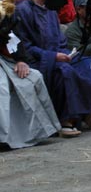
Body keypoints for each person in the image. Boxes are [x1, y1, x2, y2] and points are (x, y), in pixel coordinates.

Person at [14, 0, 91, 137]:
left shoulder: (51, 9)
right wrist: (54, 56)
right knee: (64, 70)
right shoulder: (22, 10)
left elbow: (60, 40)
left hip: (60, 56)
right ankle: (65, 119)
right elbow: (24, 45)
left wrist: (68, 53)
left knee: (90, 65)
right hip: (39, 60)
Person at [0, 11, 62, 148]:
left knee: (34, 77)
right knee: (1, 87)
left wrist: (20, 59)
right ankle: (2, 138)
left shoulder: (4, 11)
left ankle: (43, 130)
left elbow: (13, 38)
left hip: (7, 60)